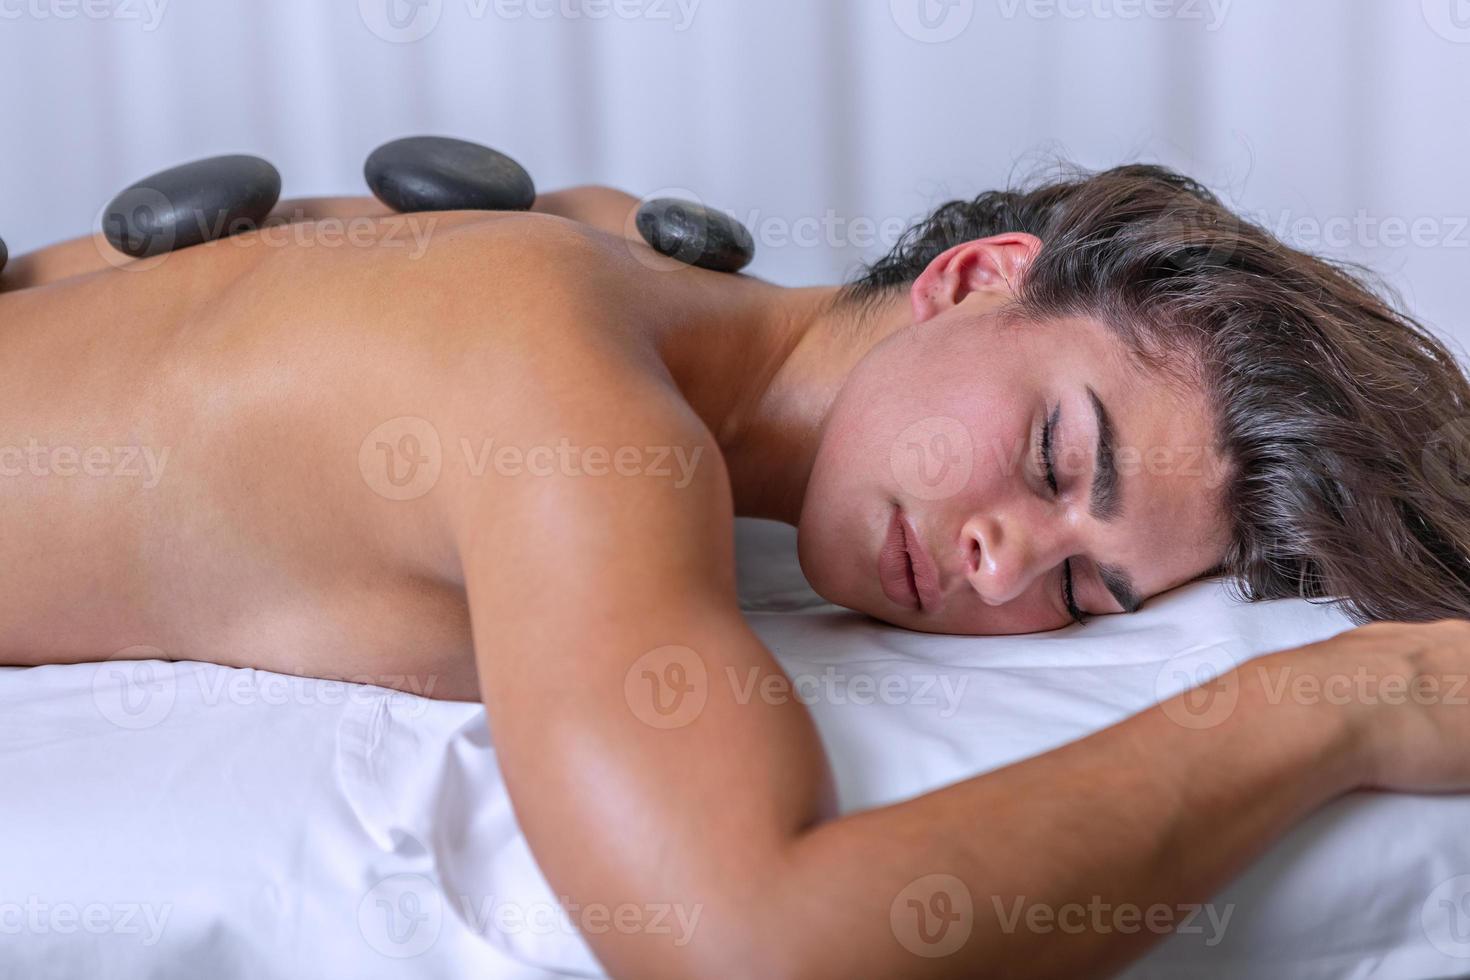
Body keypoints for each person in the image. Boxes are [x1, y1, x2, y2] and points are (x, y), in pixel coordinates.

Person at [1, 163, 1468, 976]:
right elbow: (752, 947)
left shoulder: (605, 263)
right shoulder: (573, 400)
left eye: (1084, 593)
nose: (1002, 561)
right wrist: (1343, 705)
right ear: (970, 280)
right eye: (1047, 460)